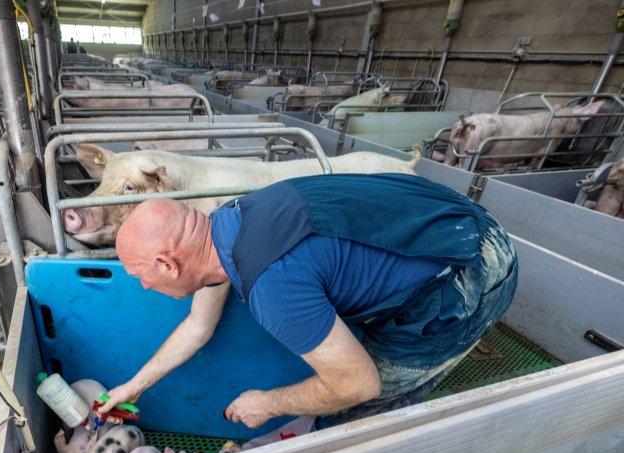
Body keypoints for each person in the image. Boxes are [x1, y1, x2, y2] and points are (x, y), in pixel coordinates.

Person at [96, 173, 518, 431]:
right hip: (439, 216)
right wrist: (132, 387)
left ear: (168, 265)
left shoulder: (272, 285)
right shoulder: (223, 227)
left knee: (363, 403)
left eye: (141, 277)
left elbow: (358, 383)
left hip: (469, 267)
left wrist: (268, 403)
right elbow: (197, 327)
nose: (144, 288)